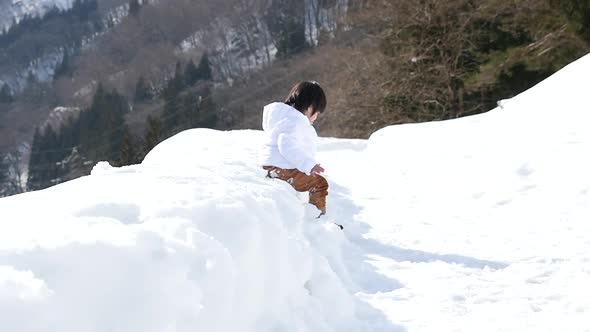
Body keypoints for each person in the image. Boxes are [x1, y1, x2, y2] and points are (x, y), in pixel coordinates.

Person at [260, 81, 329, 218]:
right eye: (318, 112)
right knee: (319, 184)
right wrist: (308, 164)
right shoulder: (295, 120)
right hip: (284, 169)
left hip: (276, 166)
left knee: (311, 182)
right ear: (310, 108)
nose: (316, 117)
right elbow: (286, 145)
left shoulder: (283, 117)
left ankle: (279, 181)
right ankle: (318, 217)